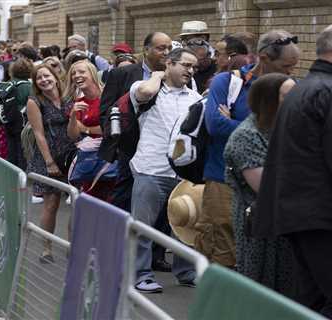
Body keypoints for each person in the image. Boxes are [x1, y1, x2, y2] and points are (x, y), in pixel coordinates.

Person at [195, 29, 300, 269]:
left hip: (269, 186)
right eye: (285, 66)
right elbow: (215, 124)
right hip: (223, 180)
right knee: (223, 254)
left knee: (261, 256)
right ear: (264, 59)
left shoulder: (290, 88)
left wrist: (234, 121)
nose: (290, 73)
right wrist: (266, 131)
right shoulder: (228, 82)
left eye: (293, 67)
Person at [255, 26, 332, 318]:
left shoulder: (304, 89)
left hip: (301, 212)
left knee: (309, 299)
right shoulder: (323, 91)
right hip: (318, 214)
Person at [99, 32, 174, 272]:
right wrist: (116, 137)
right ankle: (118, 248)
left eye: (169, 48)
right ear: (146, 49)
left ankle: (156, 254)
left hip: (162, 151)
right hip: (130, 148)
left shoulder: (174, 77)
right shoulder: (123, 74)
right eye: (161, 48)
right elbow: (107, 108)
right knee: (125, 197)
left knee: (162, 202)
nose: (165, 52)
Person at [129, 48, 202, 293]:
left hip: (183, 174)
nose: (190, 71)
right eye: (185, 65)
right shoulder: (148, 89)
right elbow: (145, 91)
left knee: (185, 226)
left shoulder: (194, 97)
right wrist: (158, 76)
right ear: (169, 64)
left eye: (194, 67)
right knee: (143, 227)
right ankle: (141, 274)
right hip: (151, 169)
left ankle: (186, 271)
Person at [224, 73, 296, 297]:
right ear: (268, 100)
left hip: (288, 225)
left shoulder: (286, 129)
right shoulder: (247, 136)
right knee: (262, 288)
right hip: (260, 226)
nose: (296, 100)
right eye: (288, 96)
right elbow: (268, 188)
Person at [27, 64, 73, 262]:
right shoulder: (35, 101)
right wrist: (49, 162)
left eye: (46, 76)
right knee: (51, 203)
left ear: (55, 77)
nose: (44, 80)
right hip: (48, 156)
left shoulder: (69, 97)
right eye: (39, 78)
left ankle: (73, 246)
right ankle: (47, 248)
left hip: (72, 154)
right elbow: (38, 133)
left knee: (77, 202)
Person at [64, 60, 113, 201]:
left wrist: (86, 129)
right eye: (73, 73)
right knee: (90, 201)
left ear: (92, 74)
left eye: (81, 72)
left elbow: (110, 129)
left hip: (110, 158)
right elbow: (73, 135)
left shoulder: (108, 96)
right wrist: (73, 115)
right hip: (90, 160)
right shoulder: (79, 103)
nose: (76, 75)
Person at [4, 58, 33, 170]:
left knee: (11, 148)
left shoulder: (7, 84)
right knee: (22, 149)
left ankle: (12, 173)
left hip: (8, 119)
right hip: (23, 121)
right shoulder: (29, 86)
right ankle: (21, 174)